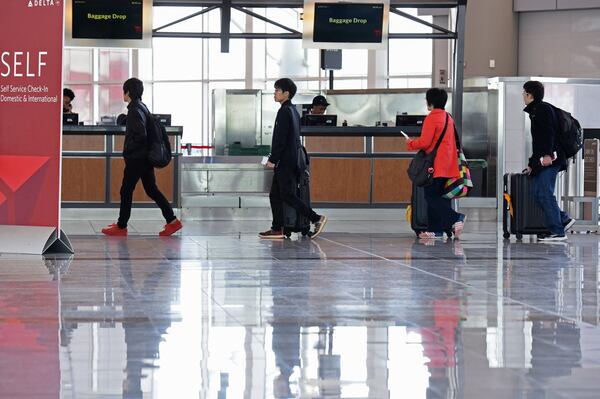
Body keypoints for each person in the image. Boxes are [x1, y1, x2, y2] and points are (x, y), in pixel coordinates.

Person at [101, 78, 182, 237]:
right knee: (152, 190)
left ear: (128, 92)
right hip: (145, 158)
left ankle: (121, 226)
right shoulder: (141, 107)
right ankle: (172, 221)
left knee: (126, 190)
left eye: (124, 91)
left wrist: (129, 151)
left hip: (137, 158)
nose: (123, 94)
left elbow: (140, 134)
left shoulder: (135, 110)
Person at [259, 78, 327, 239]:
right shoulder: (293, 111)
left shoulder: (284, 111)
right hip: (292, 159)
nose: (274, 93)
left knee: (287, 194)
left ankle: (316, 218)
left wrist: (273, 159)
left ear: (286, 93)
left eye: (277, 90)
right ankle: (277, 228)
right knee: (275, 195)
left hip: (285, 161)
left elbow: (280, 139)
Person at [407, 88, 466, 239]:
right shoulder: (448, 117)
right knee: (442, 197)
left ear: (430, 101)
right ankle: (437, 230)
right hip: (449, 163)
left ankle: (456, 218)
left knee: (430, 196)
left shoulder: (432, 118)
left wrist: (411, 143)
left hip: (436, 164)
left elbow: (425, 143)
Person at [522, 80, 574, 241]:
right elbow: (538, 142)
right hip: (544, 158)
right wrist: (532, 164)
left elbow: (548, 134)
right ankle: (563, 219)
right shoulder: (536, 110)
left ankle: (557, 231)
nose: (523, 97)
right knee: (538, 193)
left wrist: (547, 155)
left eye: (524, 93)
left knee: (544, 193)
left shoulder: (542, 109)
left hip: (551, 158)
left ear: (530, 95)